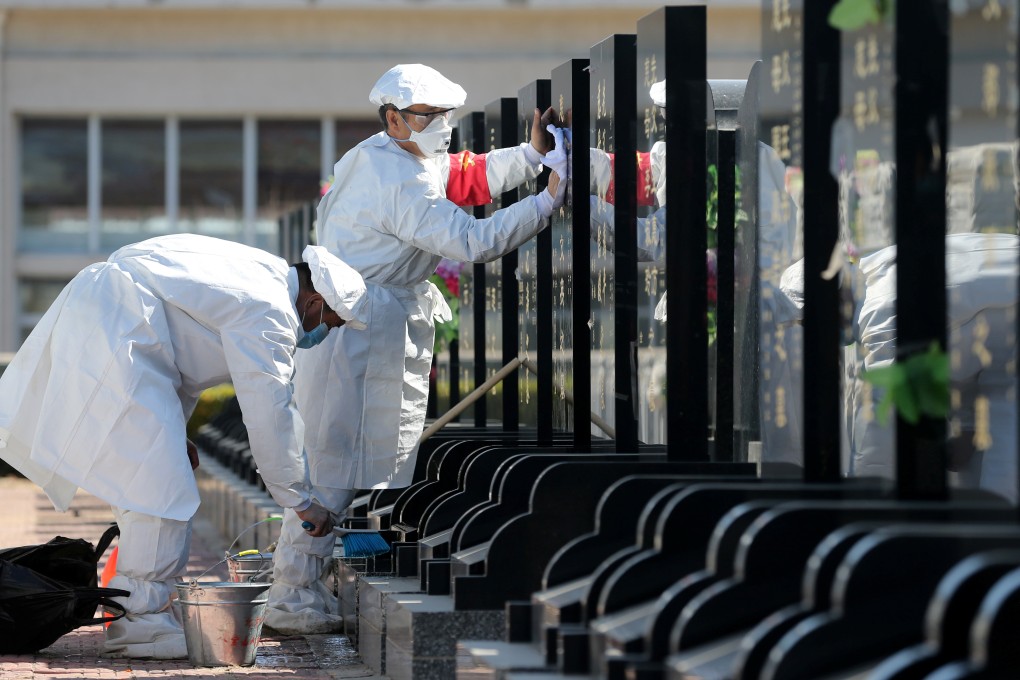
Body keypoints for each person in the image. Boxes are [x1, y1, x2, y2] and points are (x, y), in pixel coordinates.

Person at [266, 62, 567, 634]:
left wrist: (529, 157)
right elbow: (472, 240)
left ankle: (303, 584)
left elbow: (460, 173)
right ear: (394, 119)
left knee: (344, 462)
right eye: (428, 117)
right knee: (334, 465)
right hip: (360, 331)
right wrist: (545, 202)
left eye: (444, 116)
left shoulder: (386, 154)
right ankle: (292, 594)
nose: (442, 127)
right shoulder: (395, 180)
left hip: (371, 322)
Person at [0, 233, 368, 658]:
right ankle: (141, 623)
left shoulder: (261, 273)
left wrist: (178, 431)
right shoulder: (270, 314)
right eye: (332, 322)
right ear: (315, 300)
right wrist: (300, 501)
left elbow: (178, 353)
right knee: (163, 489)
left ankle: (141, 613)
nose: (324, 332)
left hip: (115, 325)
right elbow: (270, 413)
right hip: (121, 335)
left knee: (150, 481)